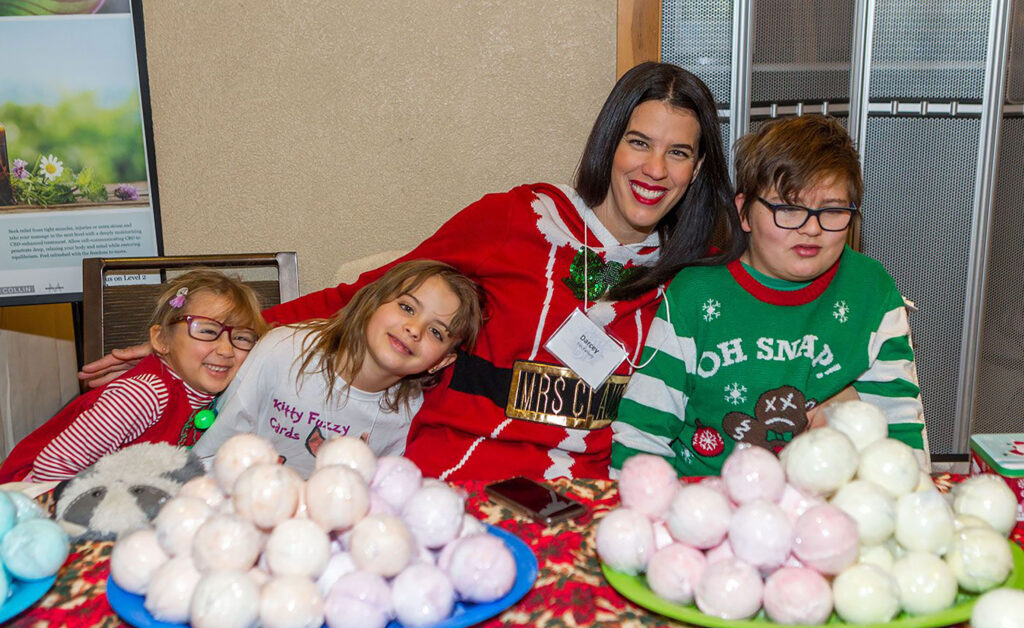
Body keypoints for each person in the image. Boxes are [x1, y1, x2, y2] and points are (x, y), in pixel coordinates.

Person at [79, 61, 745, 481]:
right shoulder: (518, 218)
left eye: (678, 153)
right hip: (443, 477)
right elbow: (366, 294)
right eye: (639, 142)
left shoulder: (687, 281)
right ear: (610, 141)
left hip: (579, 500)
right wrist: (226, 332)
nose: (654, 170)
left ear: (697, 170)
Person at [610, 114, 927, 476]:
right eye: (788, 209)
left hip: (825, 504)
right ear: (744, 212)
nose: (811, 229)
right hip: (705, 501)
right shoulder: (695, 294)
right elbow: (641, 435)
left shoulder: (871, 289)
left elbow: (899, 428)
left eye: (833, 211)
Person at [191, 260, 482, 477]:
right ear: (373, 302)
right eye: (407, 308)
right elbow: (211, 454)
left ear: (442, 360)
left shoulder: (408, 414)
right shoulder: (282, 351)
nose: (414, 329)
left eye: (437, 332)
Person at [0, 269, 266, 483]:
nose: (226, 349)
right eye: (207, 332)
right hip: (34, 494)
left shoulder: (219, 396)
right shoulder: (144, 395)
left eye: (241, 338)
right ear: (161, 339)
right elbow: (51, 469)